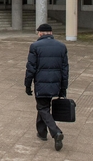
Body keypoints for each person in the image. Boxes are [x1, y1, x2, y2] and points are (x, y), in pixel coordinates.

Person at [25, 23, 69, 152]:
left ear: (40, 33)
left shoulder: (35, 46)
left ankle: (56, 132)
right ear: (51, 33)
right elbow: (65, 69)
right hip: (56, 83)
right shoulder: (61, 46)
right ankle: (41, 132)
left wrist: (27, 85)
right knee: (43, 106)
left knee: (42, 107)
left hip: (41, 83)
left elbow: (30, 68)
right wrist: (63, 88)